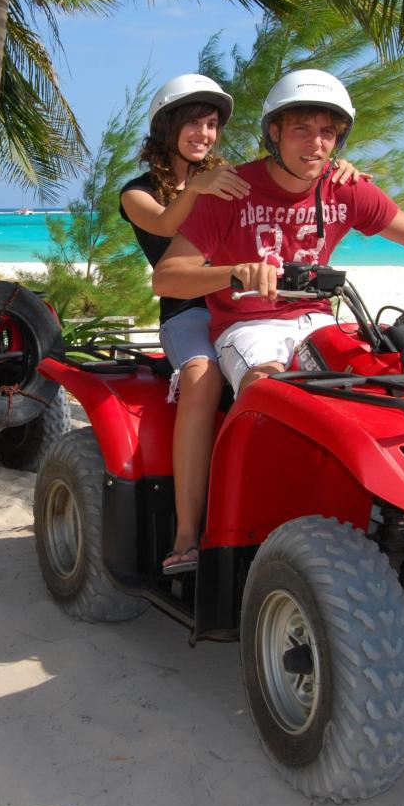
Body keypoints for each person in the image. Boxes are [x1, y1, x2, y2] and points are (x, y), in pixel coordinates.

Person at [154, 68, 404, 401]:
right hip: (249, 326)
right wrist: (238, 272)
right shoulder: (231, 190)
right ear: (275, 131)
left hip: (320, 321)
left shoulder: (343, 187)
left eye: (327, 133)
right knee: (266, 388)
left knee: (382, 381)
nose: (315, 144)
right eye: (301, 130)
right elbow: (167, 277)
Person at [120, 74, 365, 575]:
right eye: (191, 123)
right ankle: (188, 531)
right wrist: (199, 189)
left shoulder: (227, 175)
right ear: (165, 128)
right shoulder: (137, 192)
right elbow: (167, 229)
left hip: (249, 306)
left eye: (211, 125)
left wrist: (334, 167)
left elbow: (279, 186)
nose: (203, 134)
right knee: (200, 377)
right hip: (188, 309)